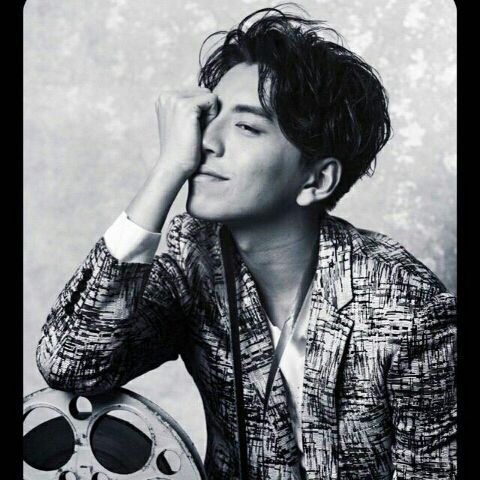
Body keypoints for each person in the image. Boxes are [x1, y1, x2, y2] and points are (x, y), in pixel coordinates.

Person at [36, 4, 456, 480]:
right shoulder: (193, 260)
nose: (204, 144)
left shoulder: (407, 307)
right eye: (208, 118)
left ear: (317, 181)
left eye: (246, 127)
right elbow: (72, 364)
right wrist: (166, 172)